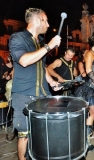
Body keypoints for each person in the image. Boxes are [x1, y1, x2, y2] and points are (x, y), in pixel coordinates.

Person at [8, 8, 61, 160]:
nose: (48, 24)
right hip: (24, 94)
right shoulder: (18, 38)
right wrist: (49, 46)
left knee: (41, 133)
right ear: (37, 20)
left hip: (42, 94)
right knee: (24, 135)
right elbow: (24, 60)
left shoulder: (39, 42)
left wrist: (51, 82)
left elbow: (41, 66)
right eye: (45, 20)